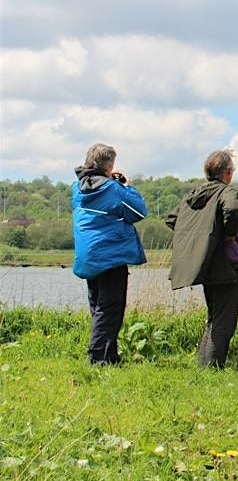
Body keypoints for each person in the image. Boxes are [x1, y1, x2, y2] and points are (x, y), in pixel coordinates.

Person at [166, 149, 238, 368]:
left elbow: (173, 219)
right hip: (226, 263)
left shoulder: (193, 195)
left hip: (204, 263)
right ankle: (212, 368)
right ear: (228, 172)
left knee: (214, 316)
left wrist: (198, 236)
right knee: (224, 320)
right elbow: (231, 210)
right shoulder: (226, 192)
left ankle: (204, 365)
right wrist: (228, 233)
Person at [71, 143, 148, 365]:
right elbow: (138, 211)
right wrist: (127, 186)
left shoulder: (76, 189)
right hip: (110, 254)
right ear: (109, 166)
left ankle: (110, 356)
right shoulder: (113, 189)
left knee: (98, 306)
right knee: (111, 308)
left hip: (88, 254)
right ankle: (97, 359)